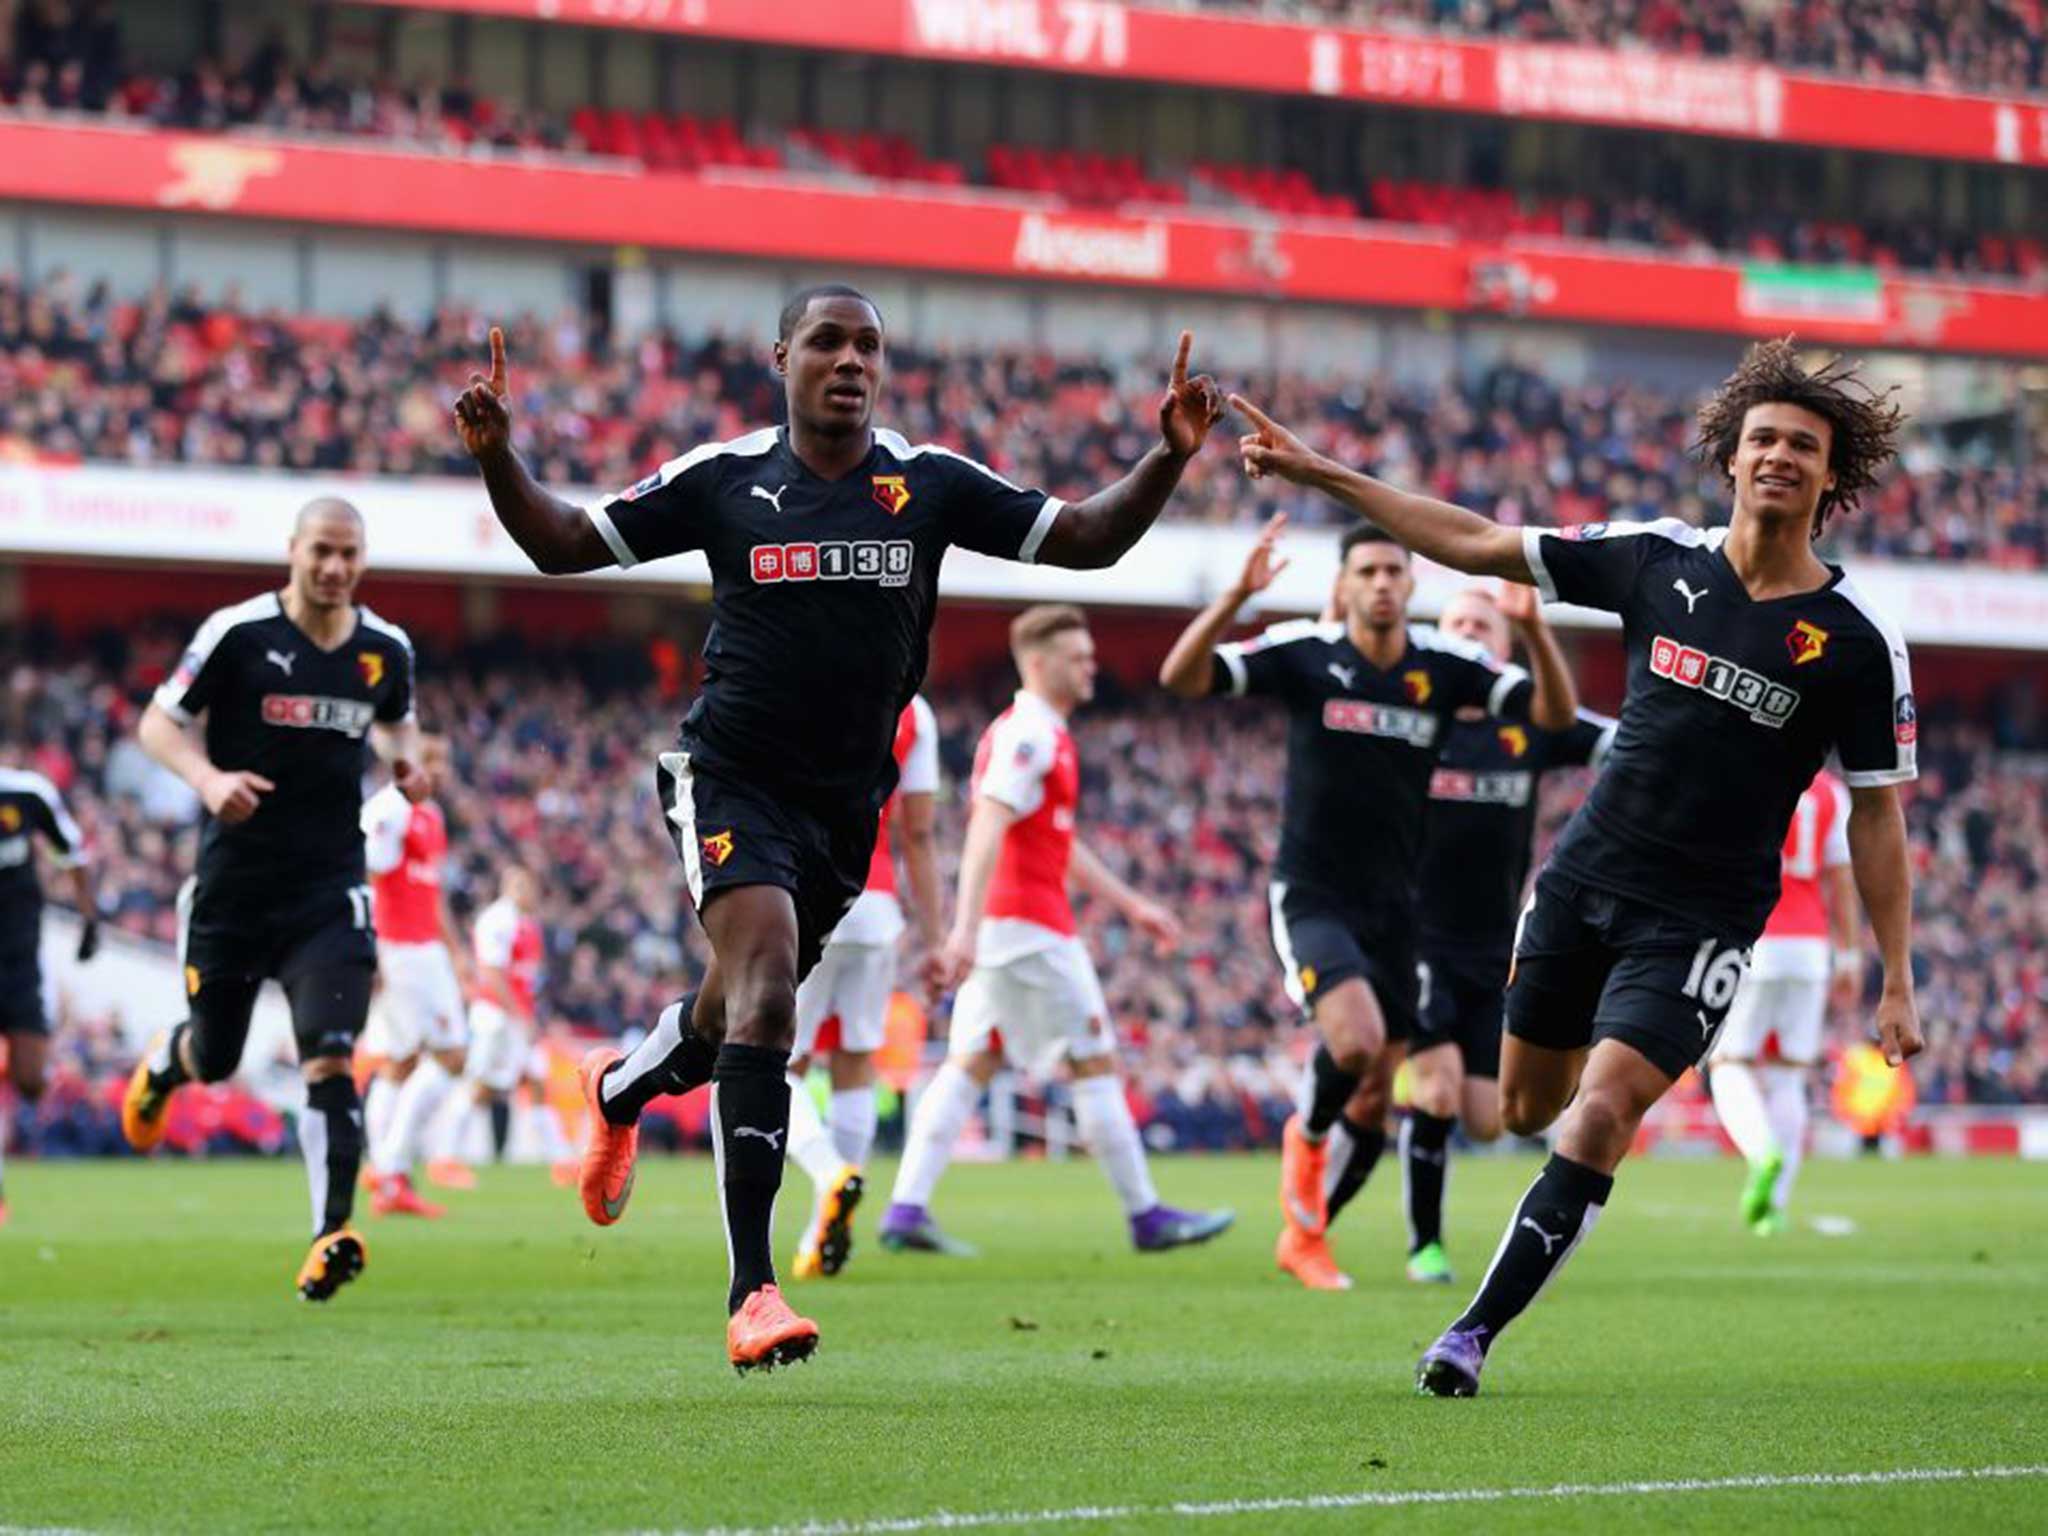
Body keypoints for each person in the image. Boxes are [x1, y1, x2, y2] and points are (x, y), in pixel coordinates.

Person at [453, 285, 1223, 1371]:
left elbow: (1084, 542)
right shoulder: (723, 481)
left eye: (867, 343)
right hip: (727, 780)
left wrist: (1166, 458)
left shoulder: (928, 483)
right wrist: (497, 457)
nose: (850, 359)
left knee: (730, 1016)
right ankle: (752, 1292)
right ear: (782, 357)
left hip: (839, 809)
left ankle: (621, 1085)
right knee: (769, 994)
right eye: (827, 340)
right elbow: (568, 543)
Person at [1229, 337, 1923, 1395]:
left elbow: (1874, 816)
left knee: (1601, 1112)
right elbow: (1471, 541)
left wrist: (1895, 973)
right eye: (1762, 439)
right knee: (1518, 1110)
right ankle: (1520, 1214)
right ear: (1728, 458)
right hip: (1577, 886)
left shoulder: (1857, 640)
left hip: (1698, 921)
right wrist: (1316, 468)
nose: (1778, 456)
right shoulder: (1653, 559)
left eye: (1802, 446)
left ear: (1832, 476)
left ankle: (1466, 1337)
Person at [1159, 518, 1574, 1290]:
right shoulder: (1304, 655)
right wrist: (1235, 597)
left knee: (1382, 1088)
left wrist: (1532, 630)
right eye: (1368, 572)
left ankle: (1304, 1233)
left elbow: (1552, 717)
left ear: (1412, 586)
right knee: (1355, 1045)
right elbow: (1182, 677)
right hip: (1314, 894)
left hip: (1399, 910)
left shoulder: (1444, 667)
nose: (1382, 584)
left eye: (1394, 572)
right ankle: (1307, 1156)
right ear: (1343, 586)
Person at [121, 498, 422, 1302]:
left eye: (349, 553)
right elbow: (158, 722)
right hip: (234, 891)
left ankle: (332, 1233)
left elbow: (397, 724)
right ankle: (166, 1064)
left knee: (330, 1053)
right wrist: (209, 779)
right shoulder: (238, 633)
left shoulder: (385, 648)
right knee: (214, 1057)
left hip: (329, 890)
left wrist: (407, 765)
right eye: (321, 550)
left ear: (363, 559)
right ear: (293, 551)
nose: (335, 567)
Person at [880, 606, 1234, 1257]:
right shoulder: (1030, 736)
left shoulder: (1038, 733)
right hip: (1031, 931)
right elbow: (988, 821)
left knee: (971, 1064)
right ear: (1039, 664)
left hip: (1012, 927)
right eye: (1077, 655)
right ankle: (1146, 1215)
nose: (1091, 664)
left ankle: (904, 1211)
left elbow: (1055, 843)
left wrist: (1132, 905)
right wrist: (964, 929)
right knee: (1093, 1061)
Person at [1404, 584, 1613, 1284]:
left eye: (1482, 627)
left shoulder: (1525, 719)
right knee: (1435, 1094)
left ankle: (1367, 1114)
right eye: (1456, 622)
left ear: (1503, 646)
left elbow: (1615, 741)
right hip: (1416, 939)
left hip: (1496, 948)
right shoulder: (1410, 712)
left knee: (1490, 1120)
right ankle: (1423, 1245)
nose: (1468, 634)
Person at [782, 693, 941, 1281]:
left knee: (775, 1063)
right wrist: (937, 937)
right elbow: (918, 836)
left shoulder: (806, 672)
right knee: (854, 1062)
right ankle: (821, 1232)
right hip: (875, 905)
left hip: (807, 894)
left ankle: (830, 1176)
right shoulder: (914, 710)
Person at [1708, 769, 1859, 1234]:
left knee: (1729, 1063)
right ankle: (1772, 1208)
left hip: (1756, 938)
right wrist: (1848, 955)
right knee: (1788, 1076)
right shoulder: (1831, 792)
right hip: (1810, 950)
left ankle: (1761, 1153)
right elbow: (1840, 880)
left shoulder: (1749, 775)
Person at [359, 732, 470, 1218]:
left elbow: (433, 889)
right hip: (401, 950)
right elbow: (365, 878)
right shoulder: (387, 811)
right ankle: (392, 1170)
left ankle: (380, 1166)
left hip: (427, 948)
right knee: (451, 1056)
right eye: (429, 759)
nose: (438, 769)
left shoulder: (432, 814)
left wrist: (456, 950)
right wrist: (368, 949)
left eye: (443, 760)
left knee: (400, 1063)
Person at [0, 761, 99, 1228]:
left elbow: (72, 855)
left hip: (19, 961)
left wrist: (89, 920)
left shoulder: (27, 794)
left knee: (31, 1080)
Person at [459, 866, 544, 1166]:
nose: (528, 892)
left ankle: (558, 1157)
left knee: (535, 1079)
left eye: (529, 885)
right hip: (496, 1015)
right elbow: (492, 974)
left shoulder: (527, 924)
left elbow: (525, 978)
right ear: (507, 887)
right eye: (520, 885)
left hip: (517, 1015)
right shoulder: (497, 920)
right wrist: (519, 1015)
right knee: (483, 1084)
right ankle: (446, 1154)